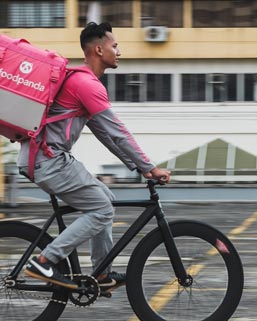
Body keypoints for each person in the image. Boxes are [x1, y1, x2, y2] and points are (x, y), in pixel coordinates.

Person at [18, 22, 171, 291]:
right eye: (115, 46)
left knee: (105, 200)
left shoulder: (82, 82)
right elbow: (118, 132)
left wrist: (139, 167)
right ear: (99, 50)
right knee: (101, 209)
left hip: (47, 158)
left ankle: (100, 272)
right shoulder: (86, 84)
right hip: (49, 160)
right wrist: (151, 167)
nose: (119, 51)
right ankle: (45, 260)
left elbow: (106, 135)